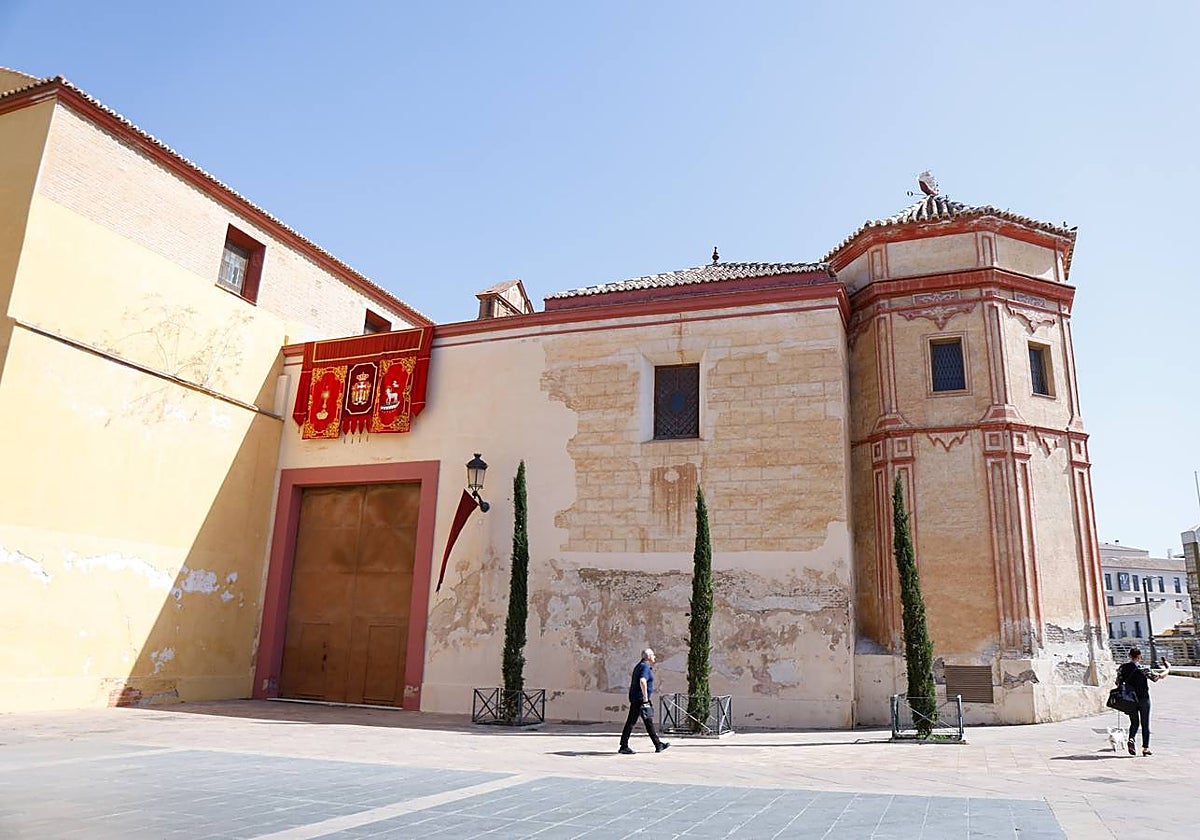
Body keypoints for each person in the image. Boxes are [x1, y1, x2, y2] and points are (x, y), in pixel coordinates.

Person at [1115, 647, 1169, 756]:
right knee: (1145, 723)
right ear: (1140, 657)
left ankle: (1131, 739)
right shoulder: (1143, 668)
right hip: (1143, 698)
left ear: (1129, 656)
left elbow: (1118, 682)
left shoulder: (1123, 668)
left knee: (1134, 722)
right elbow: (1158, 677)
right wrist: (1168, 668)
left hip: (1130, 699)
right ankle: (1145, 748)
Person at [618, 648, 670, 754]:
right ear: (649, 656)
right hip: (640, 699)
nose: (655, 657)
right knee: (632, 722)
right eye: (653, 655)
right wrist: (645, 697)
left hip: (637, 698)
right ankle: (624, 746)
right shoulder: (645, 667)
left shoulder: (640, 665)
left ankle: (658, 744)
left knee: (647, 722)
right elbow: (642, 680)